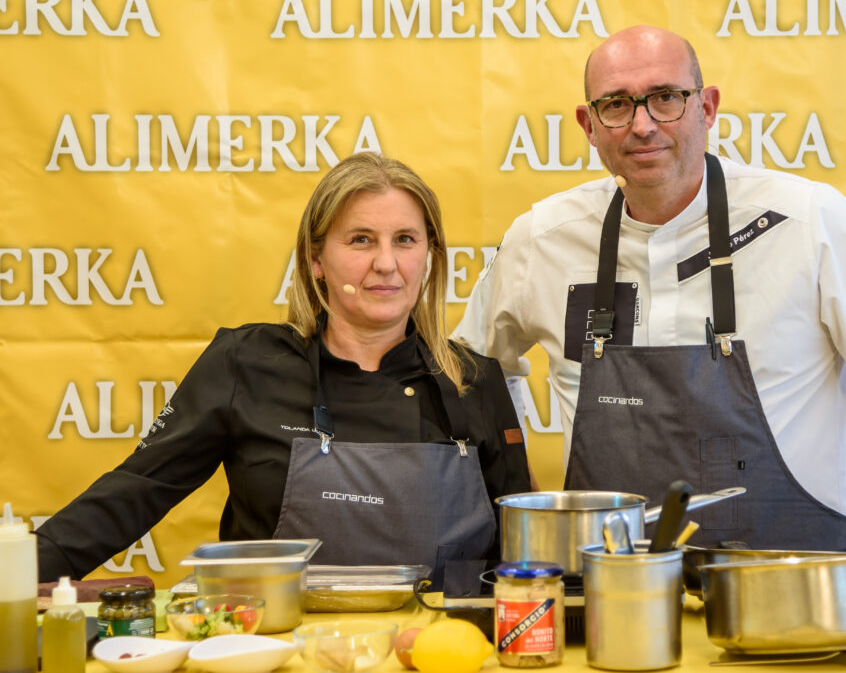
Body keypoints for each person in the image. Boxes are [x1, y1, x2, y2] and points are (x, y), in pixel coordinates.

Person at [454, 25, 846, 589]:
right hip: (606, 602)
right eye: (615, 105)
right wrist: (516, 499)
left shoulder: (809, 223)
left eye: (666, 98)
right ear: (588, 125)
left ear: (707, 107)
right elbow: (468, 379)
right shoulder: (541, 238)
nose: (643, 125)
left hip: (793, 605)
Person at [37, 152, 532, 583]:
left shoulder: (475, 381)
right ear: (316, 258)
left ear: (429, 256)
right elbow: (137, 491)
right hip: (271, 649)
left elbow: (519, 554)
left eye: (405, 239)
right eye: (360, 240)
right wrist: (21, 572)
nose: (386, 263)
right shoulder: (246, 363)